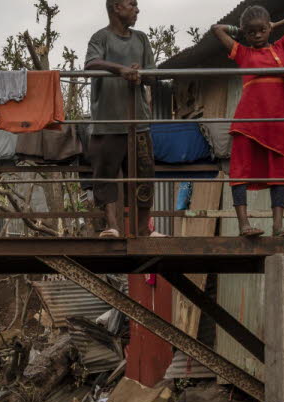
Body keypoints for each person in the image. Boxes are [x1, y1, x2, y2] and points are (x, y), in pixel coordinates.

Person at [212, 8, 284, 238]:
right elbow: (217, 30)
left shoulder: (281, 47)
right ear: (245, 34)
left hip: (276, 121)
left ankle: (278, 225)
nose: (257, 35)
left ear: (269, 28)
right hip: (249, 121)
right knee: (240, 171)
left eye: (262, 30)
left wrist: (275, 24)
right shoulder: (243, 53)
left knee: (278, 173)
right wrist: (240, 29)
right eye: (251, 31)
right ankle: (244, 224)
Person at [85, 0, 160, 238]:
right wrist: (121, 69)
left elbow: (153, 77)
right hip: (107, 122)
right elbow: (91, 64)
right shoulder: (101, 38)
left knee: (144, 173)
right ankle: (112, 226)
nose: (137, 9)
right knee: (105, 174)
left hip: (138, 122)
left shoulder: (141, 39)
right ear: (117, 8)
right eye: (132, 4)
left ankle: (143, 230)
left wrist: (141, 73)